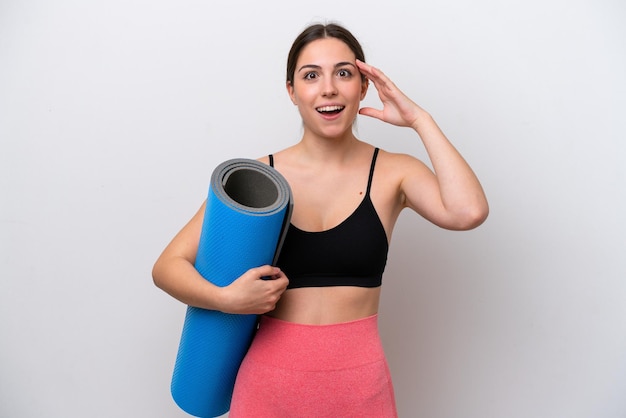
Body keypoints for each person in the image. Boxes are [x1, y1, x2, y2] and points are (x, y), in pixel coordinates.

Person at [153, 22, 488, 417]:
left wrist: (419, 120)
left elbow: (468, 212)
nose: (328, 88)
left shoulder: (395, 172)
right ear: (292, 92)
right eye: (311, 76)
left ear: (363, 87)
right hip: (267, 391)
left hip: (361, 390)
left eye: (343, 73)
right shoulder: (258, 180)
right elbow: (166, 267)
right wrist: (227, 299)